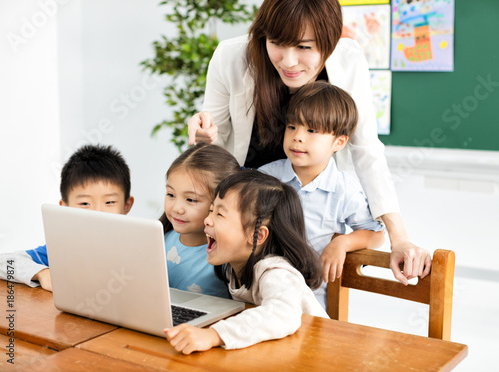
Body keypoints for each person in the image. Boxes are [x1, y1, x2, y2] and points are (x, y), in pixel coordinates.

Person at [187, 0, 431, 285]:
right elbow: (213, 143)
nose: (289, 61)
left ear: (329, 43)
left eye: (304, 47)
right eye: (277, 42)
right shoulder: (231, 56)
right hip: (245, 213)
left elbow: (367, 150)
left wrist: (399, 238)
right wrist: (205, 137)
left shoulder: (348, 58)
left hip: (308, 211)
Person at [164, 170, 328, 354]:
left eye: (220, 214)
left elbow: (283, 314)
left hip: (321, 353)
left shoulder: (276, 272)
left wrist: (213, 335)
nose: (207, 220)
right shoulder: (232, 267)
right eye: (211, 210)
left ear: (256, 235)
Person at [259, 81, 384, 308]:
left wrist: (342, 243)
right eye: (292, 126)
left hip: (314, 304)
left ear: (339, 142)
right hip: (262, 296)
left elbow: (375, 234)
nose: (298, 137)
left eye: (312, 130)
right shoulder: (266, 177)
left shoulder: (344, 189)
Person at [0, 144, 135, 291]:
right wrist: (43, 273)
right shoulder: (62, 249)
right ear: (65, 208)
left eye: (109, 202)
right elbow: (4, 262)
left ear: (126, 205)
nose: (97, 212)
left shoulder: (137, 250)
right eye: (84, 203)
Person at [158, 143, 241, 298]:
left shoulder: (226, 256)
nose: (177, 208)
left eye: (190, 199)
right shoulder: (161, 239)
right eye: (170, 194)